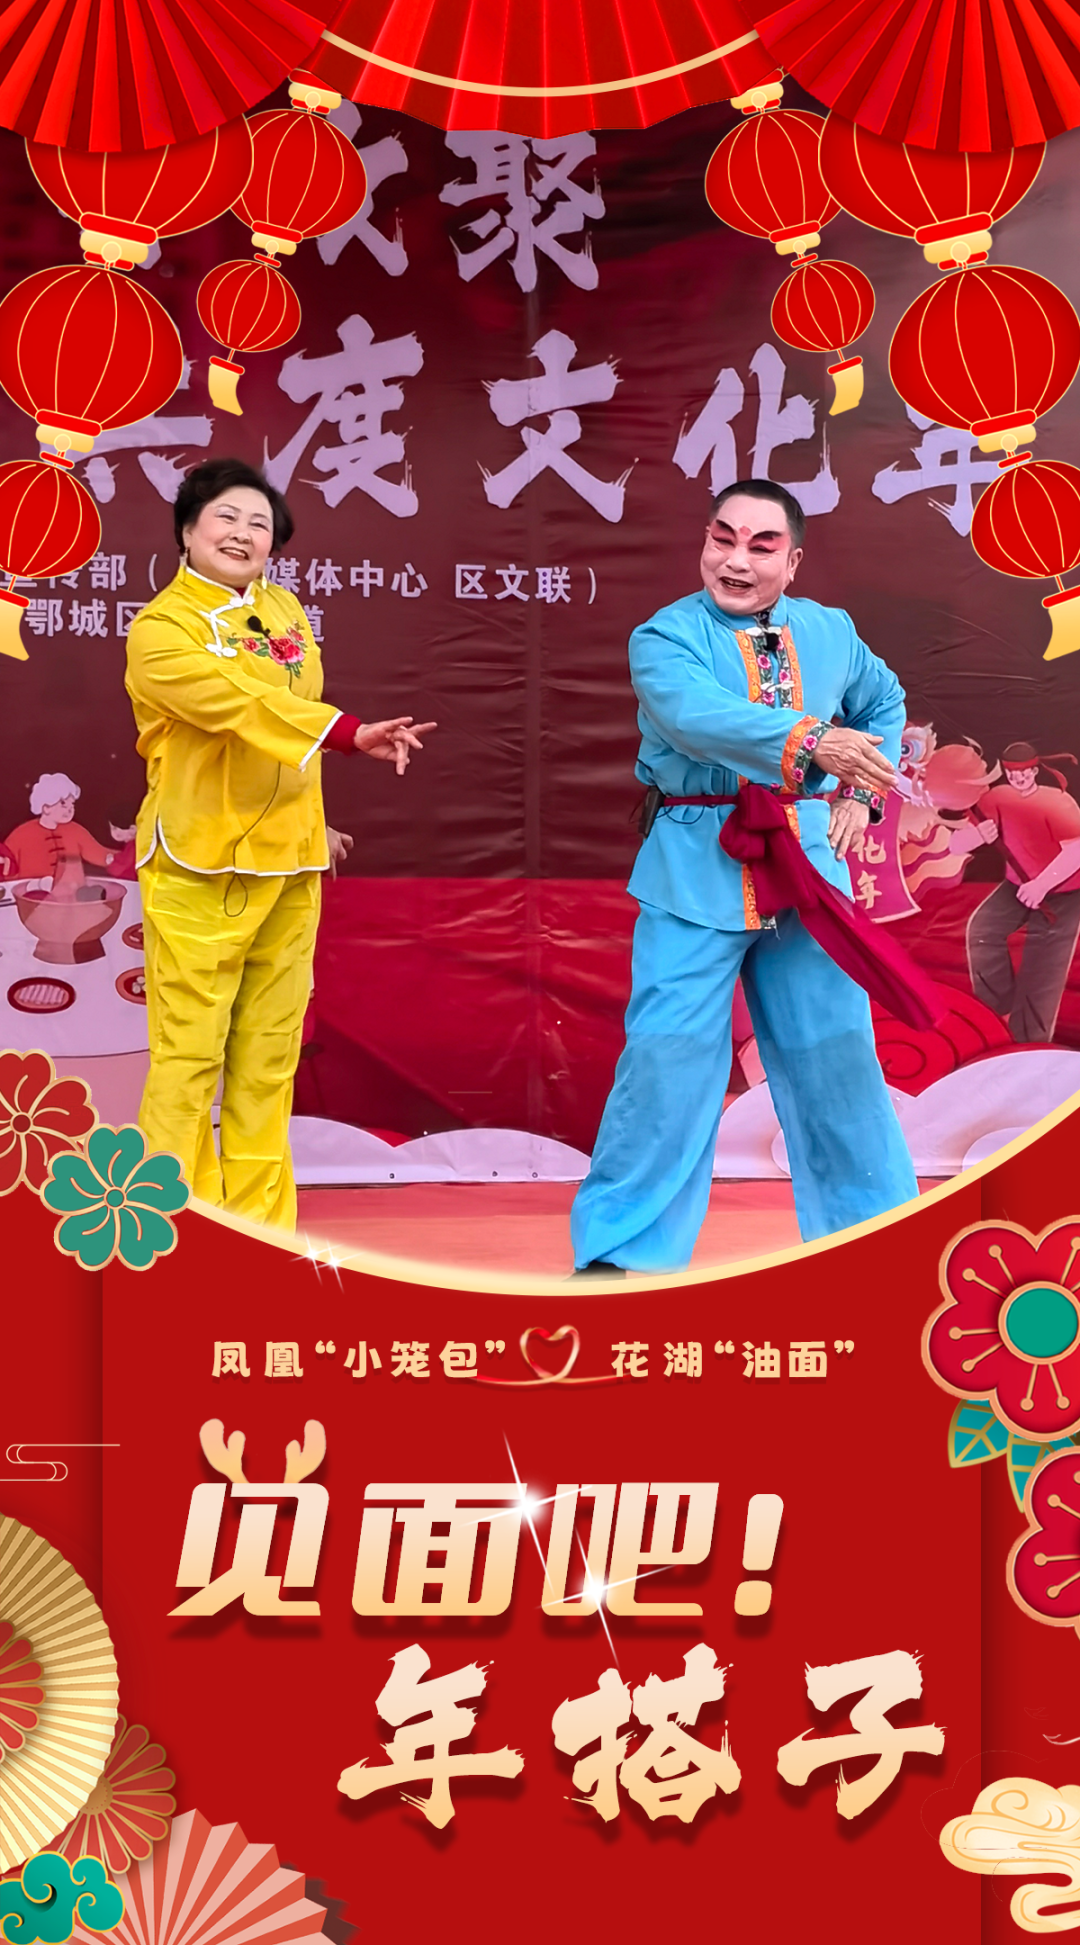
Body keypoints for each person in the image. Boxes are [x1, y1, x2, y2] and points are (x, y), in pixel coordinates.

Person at [571, 479, 919, 1275]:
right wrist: (817, 743)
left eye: (761, 546)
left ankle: (872, 1241)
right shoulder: (665, 637)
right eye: (721, 538)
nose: (735, 559)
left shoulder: (830, 631)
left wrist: (862, 795)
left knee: (837, 1058)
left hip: (806, 867)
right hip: (696, 860)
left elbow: (884, 703)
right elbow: (693, 716)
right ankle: (625, 1253)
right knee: (666, 1061)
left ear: (792, 562)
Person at [125, 456, 435, 1230]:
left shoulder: (285, 609)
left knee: (268, 1061)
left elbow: (281, 736)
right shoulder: (160, 630)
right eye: (226, 517)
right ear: (187, 530)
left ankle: (262, 1231)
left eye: (260, 524)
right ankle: (172, 1228)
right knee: (189, 1058)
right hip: (199, 862)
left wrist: (308, 821)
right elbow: (241, 707)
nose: (243, 533)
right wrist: (348, 733)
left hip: (290, 862)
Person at [950, 741, 1080, 1043]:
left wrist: (1042, 885)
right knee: (982, 930)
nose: (1018, 778)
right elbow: (955, 845)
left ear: (1034, 771)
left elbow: (1076, 851)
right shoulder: (995, 798)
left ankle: (1028, 1042)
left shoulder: (1057, 802)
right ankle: (996, 1009)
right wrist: (975, 836)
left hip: (1065, 889)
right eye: (1012, 772)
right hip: (1017, 884)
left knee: (1042, 963)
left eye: (1024, 772)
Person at [4, 774, 116, 880]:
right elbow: (6, 861)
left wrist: (118, 859)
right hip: (31, 891)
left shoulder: (75, 831)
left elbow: (97, 852)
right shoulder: (22, 834)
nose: (70, 809)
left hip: (72, 891)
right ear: (46, 807)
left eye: (72, 804)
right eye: (63, 803)